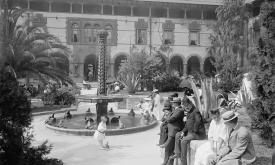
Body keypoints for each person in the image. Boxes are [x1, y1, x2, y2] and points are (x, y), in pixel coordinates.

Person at [171, 98, 206, 165]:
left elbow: (198, 121)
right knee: (178, 135)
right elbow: (187, 124)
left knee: (183, 141)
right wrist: (183, 132)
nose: (185, 107)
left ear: (189, 104)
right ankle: (178, 154)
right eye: (184, 106)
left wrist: (195, 130)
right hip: (190, 132)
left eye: (186, 105)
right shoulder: (189, 111)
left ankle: (184, 162)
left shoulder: (195, 111)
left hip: (197, 133)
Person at [161, 97, 185, 165]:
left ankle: (167, 163)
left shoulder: (179, 110)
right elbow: (169, 118)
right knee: (169, 149)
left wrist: (167, 118)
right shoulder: (176, 109)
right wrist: (167, 118)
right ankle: (166, 162)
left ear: (176, 103)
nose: (172, 104)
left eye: (173, 103)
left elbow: (172, 119)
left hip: (175, 130)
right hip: (172, 131)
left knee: (169, 148)